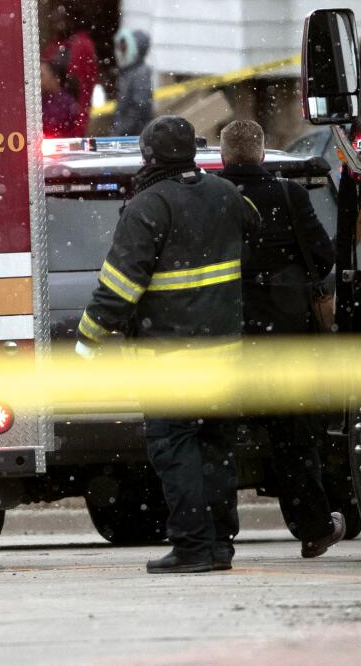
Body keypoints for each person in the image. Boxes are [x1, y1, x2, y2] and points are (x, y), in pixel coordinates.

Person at [75, 116, 258, 574]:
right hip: (225, 353)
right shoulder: (226, 195)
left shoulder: (147, 206)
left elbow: (119, 286)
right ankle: (218, 546)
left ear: (149, 156)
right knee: (216, 447)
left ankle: (193, 547)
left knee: (175, 449)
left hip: (171, 357)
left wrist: (89, 337)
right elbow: (254, 237)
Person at [218, 119, 346, 558]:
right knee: (294, 439)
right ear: (261, 154)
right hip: (286, 335)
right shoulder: (289, 196)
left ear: (223, 157)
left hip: (224, 334)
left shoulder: (211, 197)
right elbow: (323, 257)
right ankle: (312, 527)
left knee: (215, 439)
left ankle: (217, 536)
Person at [44, 5, 99, 121]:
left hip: (74, 107)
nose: (57, 26)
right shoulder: (53, 47)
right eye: (54, 22)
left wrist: (81, 109)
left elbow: (87, 81)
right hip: (53, 109)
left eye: (61, 21)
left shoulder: (83, 45)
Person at [111, 27, 153, 136]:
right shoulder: (128, 72)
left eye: (124, 48)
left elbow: (139, 108)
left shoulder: (140, 73)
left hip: (134, 137)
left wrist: (120, 131)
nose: (120, 52)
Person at [41, 49, 85, 138]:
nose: (39, 80)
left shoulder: (66, 103)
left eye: (42, 75)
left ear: (55, 78)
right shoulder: (43, 99)